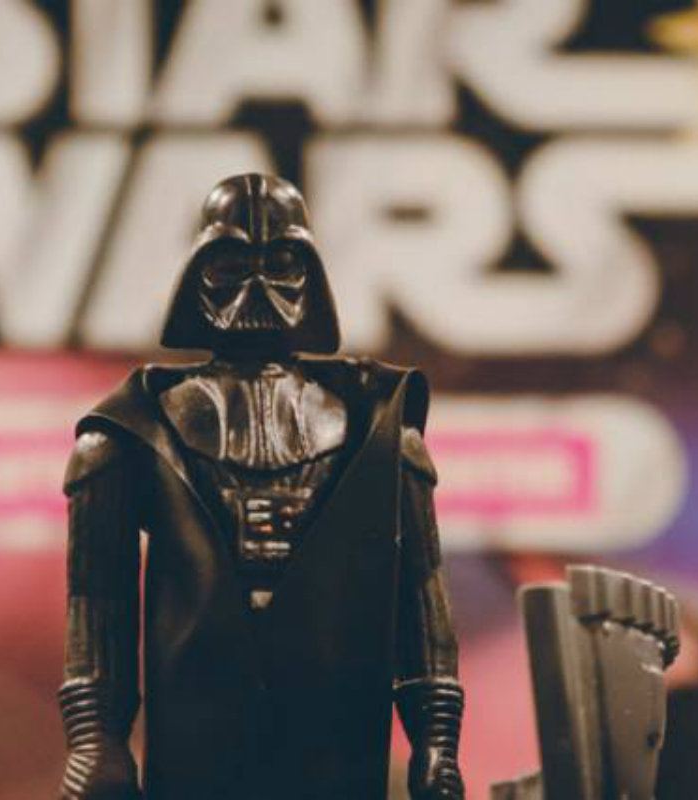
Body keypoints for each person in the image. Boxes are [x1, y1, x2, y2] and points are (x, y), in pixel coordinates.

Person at [58, 174, 464, 800]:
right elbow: (98, 599)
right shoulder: (133, 429)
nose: (257, 288)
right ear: (197, 276)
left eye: (280, 264)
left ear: (310, 275)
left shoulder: (378, 428)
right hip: (197, 724)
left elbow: (421, 594)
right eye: (231, 265)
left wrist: (437, 738)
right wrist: (94, 738)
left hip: (335, 729)